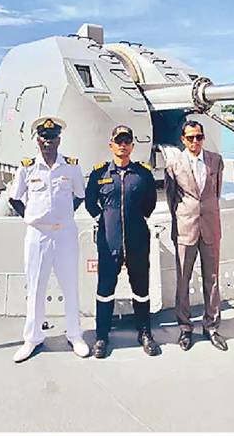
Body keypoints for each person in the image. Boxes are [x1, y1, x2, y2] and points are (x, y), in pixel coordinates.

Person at [8, 116, 90, 362]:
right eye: (44, 137)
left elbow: (80, 195)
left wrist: (64, 215)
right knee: (35, 287)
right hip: (38, 235)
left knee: (70, 284)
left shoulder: (71, 167)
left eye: (52, 137)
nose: (48, 141)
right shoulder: (27, 167)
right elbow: (14, 198)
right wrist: (31, 217)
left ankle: (75, 334)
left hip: (64, 233)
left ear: (59, 139)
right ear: (37, 139)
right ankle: (33, 338)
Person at [85, 125, 160, 358]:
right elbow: (90, 203)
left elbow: (150, 203)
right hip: (110, 242)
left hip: (137, 240)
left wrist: (134, 220)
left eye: (127, 141)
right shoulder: (99, 174)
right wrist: (105, 221)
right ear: (111, 145)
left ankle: (145, 332)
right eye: (119, 141)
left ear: (132, 146)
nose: (123, 145)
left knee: (141, 289)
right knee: (105, 289)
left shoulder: (143, 174)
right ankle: (102, 336)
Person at [164, 119, 228, 352]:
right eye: (190, 138)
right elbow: (172, 198)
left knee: (213, 278)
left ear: (203, 138)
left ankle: (211, 326)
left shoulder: (215, 160)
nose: (195, 141)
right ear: (183, 139)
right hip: (185, 227)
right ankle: (185, 327)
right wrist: (184, 217)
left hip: (210, 225)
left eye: (198, 137)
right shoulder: (173, 164)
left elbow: (215, 192)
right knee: (183, 278)